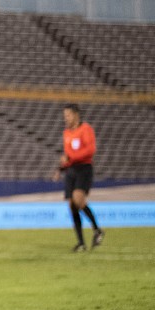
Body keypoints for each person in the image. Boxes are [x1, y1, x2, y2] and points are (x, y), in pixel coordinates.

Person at [53, 104, 104, 252]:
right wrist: (60, 169)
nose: (66, 118)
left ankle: (97, 229)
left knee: (78, 199)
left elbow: (90, 150)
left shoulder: (86, 129)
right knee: (72, 205)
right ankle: (81, 243)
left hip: (84, 169)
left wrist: (71, 157)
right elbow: (67, 156)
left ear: (76, 115)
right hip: (71, 170)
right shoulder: (67, 133)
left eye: (68, 115)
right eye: (65, 116)